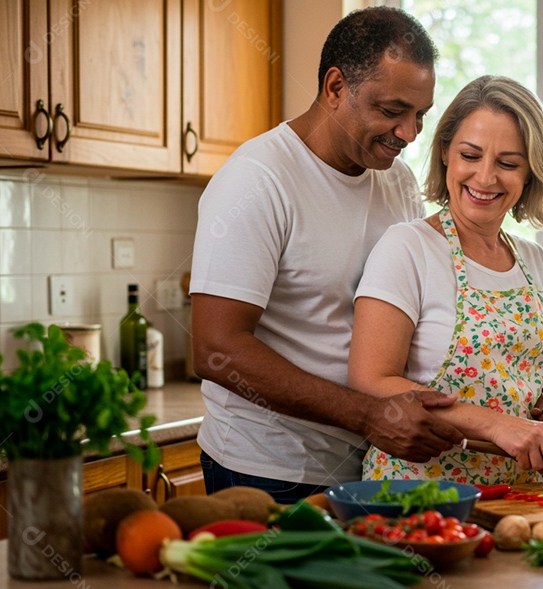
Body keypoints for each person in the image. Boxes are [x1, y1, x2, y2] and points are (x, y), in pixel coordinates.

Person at [188, 7, 464, 504]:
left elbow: (410, 311)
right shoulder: (258, 179)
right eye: (392, 110)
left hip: (368, 462)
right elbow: (215, 347)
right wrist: (367, 415)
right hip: (266, 469)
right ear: (336, 87)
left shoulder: (396, 180)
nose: (410, 133)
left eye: (420, 114)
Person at [349, 76, 543, 486]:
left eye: (508, 163)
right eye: (471, 155)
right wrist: (496, 425)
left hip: (521, 495)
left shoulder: (533, 260)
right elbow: (370, 380)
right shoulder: (408, 248)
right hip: (421, 495)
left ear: (530, 172)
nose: (485, 178)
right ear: (446, 151)